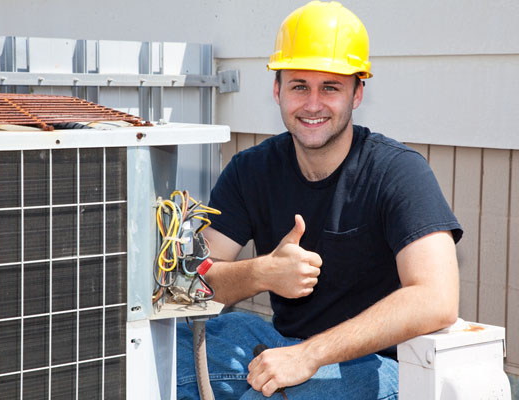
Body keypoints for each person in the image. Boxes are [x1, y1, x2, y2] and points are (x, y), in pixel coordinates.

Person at [177, 1, 463, 399]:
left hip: (376, 363)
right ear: (277, 90)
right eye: (299, 86)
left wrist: (310, 355)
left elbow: (437, 297)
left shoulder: (398, 172)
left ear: (357, 93)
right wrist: (262, 273)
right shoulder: (250, 170)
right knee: (156, 357)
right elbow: (194, 281)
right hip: (281, 342)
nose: (313, 104)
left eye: (330, 87)